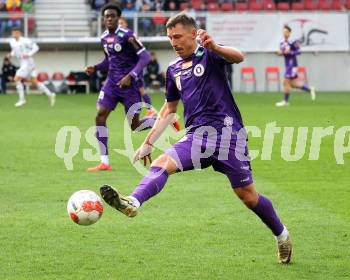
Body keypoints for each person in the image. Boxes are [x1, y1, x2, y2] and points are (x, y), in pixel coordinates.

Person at [99, 12, 293, 264]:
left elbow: (239, 56)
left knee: (248, 196)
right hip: (196, 137)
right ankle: (133, 201)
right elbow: (169, 109)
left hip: (228, 136)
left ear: (193, 33)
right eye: (170, 38)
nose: (174, 42)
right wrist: (148, 142)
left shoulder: (210, 54)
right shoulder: (173, 69)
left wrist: (216, 46)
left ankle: (282, 235)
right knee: (161, 164)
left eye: (178, 36)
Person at [85, 3, 156, 172]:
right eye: (106, 16)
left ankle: (160, 120)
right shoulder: (103, 38)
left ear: (118, 19)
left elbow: (145, 58)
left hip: (129, 87)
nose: (109, 19)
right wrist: (95, 67)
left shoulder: (127, 36)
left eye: (112, 16)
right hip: (111, 84)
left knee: (135, 125)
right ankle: (105, 162)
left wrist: (131, 76)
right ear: (103, 20)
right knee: (100, 116)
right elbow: (109, 61)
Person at [8, 28, 56, 107]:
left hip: (28, 62)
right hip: (24, 63)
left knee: (16, 79)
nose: (13, 34)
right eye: (12, 33)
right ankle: (50, 94)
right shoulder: (12, 42)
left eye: (15, 33)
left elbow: (36, 47)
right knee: (34, 82)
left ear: (19, 33)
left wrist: (29, 54)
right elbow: (15, 50)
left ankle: (22, 100)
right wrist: (11, 54)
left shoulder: (25, 40)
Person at [276, 25, 315, 107]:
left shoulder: (293, 41)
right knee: (292, 84)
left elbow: (299, 52)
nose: (285, 34)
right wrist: (279, 53)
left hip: (292, 64)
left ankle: (285, 101)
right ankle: (310, 89)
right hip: (287, 64)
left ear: (290, 33)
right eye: (284, 32)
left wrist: (290, 52)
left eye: (286, 32)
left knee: (285, 81)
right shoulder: (282, 42)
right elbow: (282, 52)